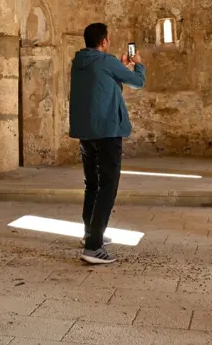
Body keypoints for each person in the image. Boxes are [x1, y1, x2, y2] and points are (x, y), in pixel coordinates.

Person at [69, 23, 146, 265]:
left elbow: (103, 84)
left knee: (92, 184)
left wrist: (119, 68)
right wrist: (138, 65)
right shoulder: (106, 61)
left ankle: (90, 234)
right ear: (104, 41)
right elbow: (137, 82)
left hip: (86, 133)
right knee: (108, 187)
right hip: (107, 132)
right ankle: (93, 247)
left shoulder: (79, 62)